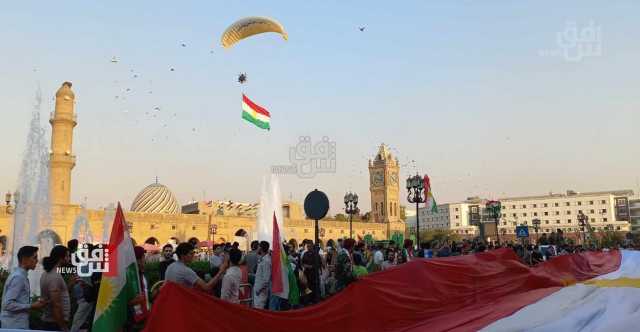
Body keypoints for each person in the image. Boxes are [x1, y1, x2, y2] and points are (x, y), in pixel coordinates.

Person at [0, 246, 47, 329]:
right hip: (13, 326)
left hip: (16, 325)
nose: (37, 260)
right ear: (25, 259)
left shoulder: (20, 275)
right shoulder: (19, 277)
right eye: (34, 257)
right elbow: (7, 305)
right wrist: (32, 306)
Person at [40, 245, 72, 331]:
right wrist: (63, 326)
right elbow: (56, 304)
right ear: (61, 258)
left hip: (52, 322)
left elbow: (57, 295)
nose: (69, 259)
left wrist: (69, 285)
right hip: (54, 324)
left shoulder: (47, 273)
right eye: (67, 256)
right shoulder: (55, 276)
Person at [253, 241, 271, 309]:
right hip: (259, 291)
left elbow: (266, 279)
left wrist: (258, 289)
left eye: (258, 246)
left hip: (261, 292)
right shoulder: (263, 259)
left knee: (259, 310)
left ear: (260, 248)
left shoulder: (266, 261)